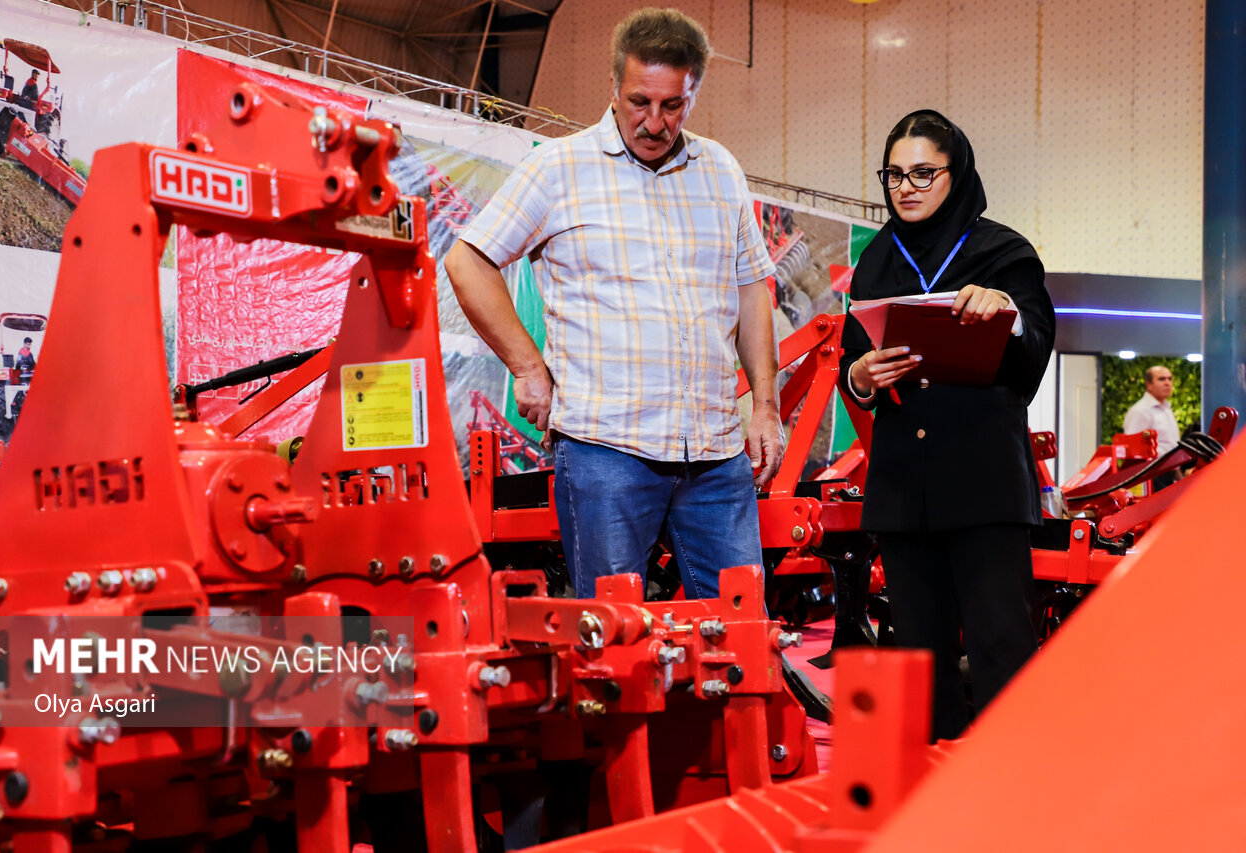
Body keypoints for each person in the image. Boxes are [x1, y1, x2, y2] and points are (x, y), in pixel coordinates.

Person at [445, 7, 783, 600]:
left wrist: (766, 406)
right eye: (638, 102)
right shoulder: (557, 168)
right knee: (613, 646)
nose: (653, 122)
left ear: (693, 92)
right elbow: (467, 261)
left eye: (672, 105)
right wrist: (528, 368)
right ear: (613, 87)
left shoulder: (721, 170)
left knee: (739, 633)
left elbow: (752, 287)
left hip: (714, 454)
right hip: (607, 452)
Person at [837, 110, 1056, 740]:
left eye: (923, 172)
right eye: (895, 174)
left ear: (955, 174)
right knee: (918, 661)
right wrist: (861, 377)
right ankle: (932, 808)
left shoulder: (1003, 252)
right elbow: (854, 366)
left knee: (1000, 648)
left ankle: (1010, 795)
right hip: (904, 493)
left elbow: (1036, 347)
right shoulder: (876, 260)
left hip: (984, 486)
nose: (905, 187)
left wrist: (1008, 314)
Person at [1122, 365, 1181, 489]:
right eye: (1162, 379)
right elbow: (1133, 448)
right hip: (1152, 476)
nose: (1167, 383)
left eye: (1170, 379)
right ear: (1149, 384)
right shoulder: (1140, 411)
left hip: (1168, 473)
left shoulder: (1166, 409)